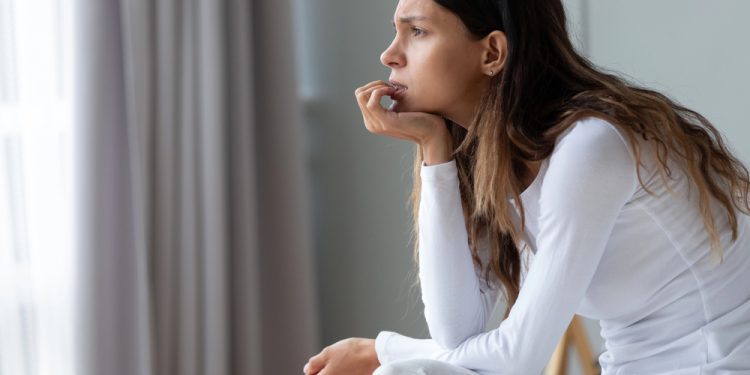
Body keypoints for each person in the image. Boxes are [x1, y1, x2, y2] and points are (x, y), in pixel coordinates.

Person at [303, 0, 750, 374]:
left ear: (492, 53)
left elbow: (518, 358)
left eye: (416, 31)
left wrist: (384, 350)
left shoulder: (589, 147)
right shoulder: (492, 158)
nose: (390, 55)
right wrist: (434, 149)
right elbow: (456, 331)